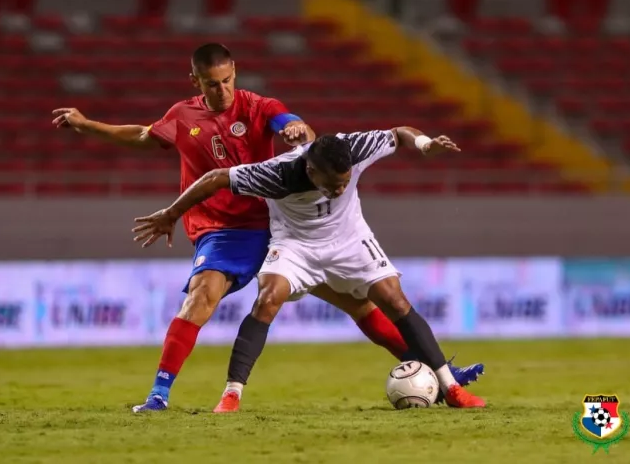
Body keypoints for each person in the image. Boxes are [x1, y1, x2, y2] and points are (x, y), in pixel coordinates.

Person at [52, 43, 483, 413]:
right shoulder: (182, 116)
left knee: (362, 306)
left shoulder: (260, 106)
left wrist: (296, 127)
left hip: (280, 226)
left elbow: (298, 130)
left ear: (234, 73)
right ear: (195, 80)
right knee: (203, 297)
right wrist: (88, 125)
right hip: (224, 229)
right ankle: (160, 394)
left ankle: (438, 370)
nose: (220, 90)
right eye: (210, 83)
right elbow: (145, 136)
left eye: (225, 80)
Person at [132, 127, 486, 410]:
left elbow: (401, 132)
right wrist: (170, 214)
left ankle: (451, 387)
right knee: (268, 298)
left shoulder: (354, 147)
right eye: (333, 185)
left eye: (345, 182)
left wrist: (424, 145)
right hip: (295, 245)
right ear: (312, 171)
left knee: (392, 298)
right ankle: (232, 394)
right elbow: (214, 178)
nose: (340, 188)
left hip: (349, 240)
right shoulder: (276, 174)